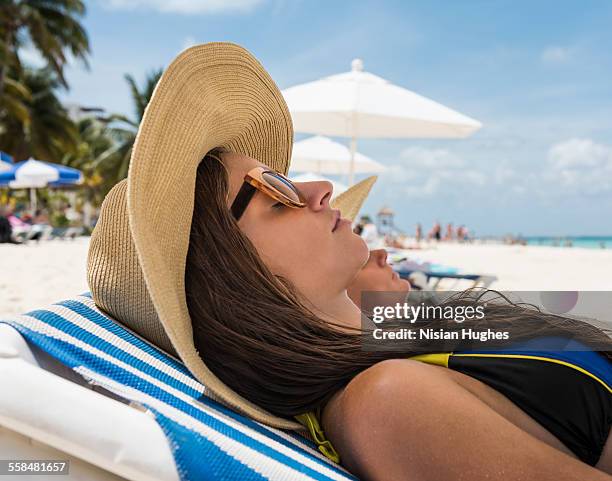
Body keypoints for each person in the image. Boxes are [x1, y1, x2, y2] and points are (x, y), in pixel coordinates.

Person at [88, 43, 611, 480]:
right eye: (276, 190)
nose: (319, 188)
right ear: (230, 272)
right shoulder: (384, 404)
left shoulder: (403, 336)